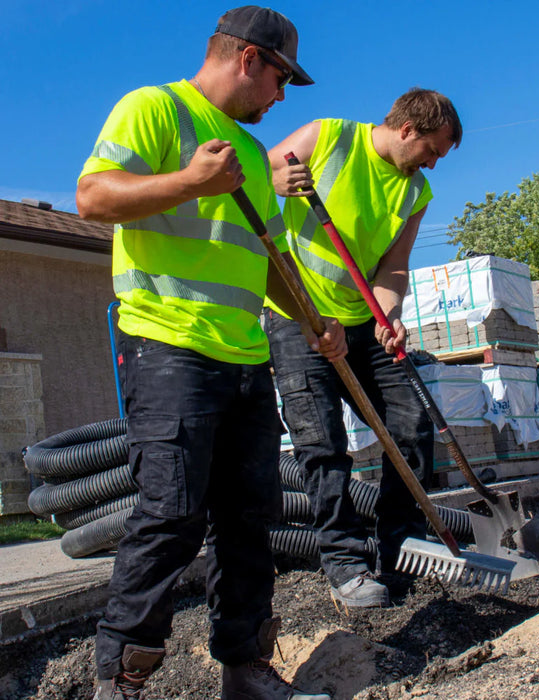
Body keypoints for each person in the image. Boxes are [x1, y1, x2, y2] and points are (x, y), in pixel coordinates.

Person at [76, 7, 345, 700]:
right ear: (250, 59)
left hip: (245, 359)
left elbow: (270, 261)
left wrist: (316, 321)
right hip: (168, 347)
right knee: (171, 511)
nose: (281, 97)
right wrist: (189, 181)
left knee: (249, 518)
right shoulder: (155, 109)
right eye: (281, 79)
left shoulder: (254, 157)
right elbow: (93, 196)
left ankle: (245, 669)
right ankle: (122, 678)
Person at [264, 88, 462, 608]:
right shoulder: (326, 137)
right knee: (323, 443)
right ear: (408, 129)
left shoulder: (415, 192)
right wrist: (275, 179)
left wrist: (388, 313)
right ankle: (345, 563)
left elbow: (394, 267)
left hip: (360, 323)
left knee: (411, 427)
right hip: (297, 316)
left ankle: (402, 548)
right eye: (433, 151)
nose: (434, 164)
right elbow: (250, 180)